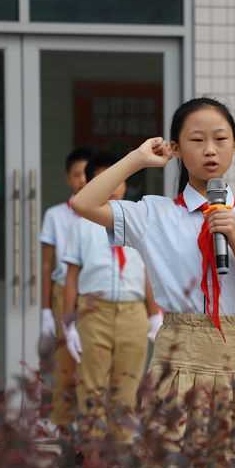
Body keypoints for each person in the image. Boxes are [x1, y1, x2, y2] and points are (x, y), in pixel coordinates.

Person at [70, 97, 235, 441]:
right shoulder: (154, 214)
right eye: (197, 140)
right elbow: (83, 203)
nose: (210, 150)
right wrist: (137, 159)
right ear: (177, 149)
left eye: (221, 139)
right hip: (178, 356)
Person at [61, 153, 162, 441]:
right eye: (104, 180)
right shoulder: (81, 224)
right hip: (95, 310)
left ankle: (122, 455)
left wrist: (154, 314)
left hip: (133, 312)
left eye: (119, 179)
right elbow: (71, 275)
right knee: (93, 386)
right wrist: (68, 322)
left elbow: (147, 271)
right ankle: (93, 456)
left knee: (127, 385)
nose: (113, 186)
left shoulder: (139, 221)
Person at [39, 147, 92, 430]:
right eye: (76, 174)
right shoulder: (55, 216)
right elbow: (47, 265)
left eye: (87, 174)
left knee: (93, 365)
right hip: (64, 293)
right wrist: (46, 309)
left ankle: (91, 434)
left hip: (95, 295)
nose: (83, 180)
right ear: (68, 179)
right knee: (66, 366)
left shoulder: (105, 214)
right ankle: (64, 433)